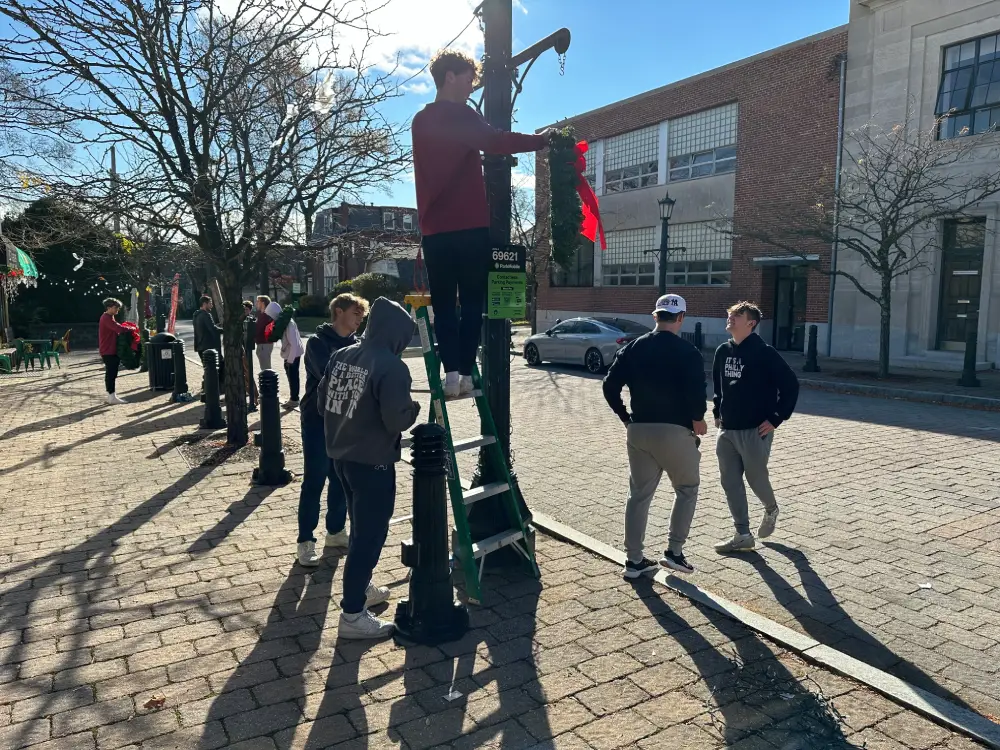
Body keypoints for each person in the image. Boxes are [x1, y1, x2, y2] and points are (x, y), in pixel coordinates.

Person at [412, 49, 550, 398]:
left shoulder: (420, 120)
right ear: (450, 77)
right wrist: (541, 140)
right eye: (469, 78)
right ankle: (463, 375)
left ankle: (453, 374)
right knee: (472, 301)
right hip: (470, 225)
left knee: (444, 303)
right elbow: (496, 141)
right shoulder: (461, 116)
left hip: (434, 230)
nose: (473, 86)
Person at [319, 297, 420, 639]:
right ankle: (352, 615)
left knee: (358, 526)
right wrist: (415, 409)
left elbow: (322, 402)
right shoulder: (391, 367)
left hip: (341, 457)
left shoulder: (342, 354)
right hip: (373, 462)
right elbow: (397, 420)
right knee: (369, 536)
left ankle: (360, 589)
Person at [603, 294, 708, 577]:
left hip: (639, 430)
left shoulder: (632, 348)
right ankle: (674, 552)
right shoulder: (688, 352)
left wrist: (625, 417)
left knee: (638, 495)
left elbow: (609, 386)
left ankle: (633, 560)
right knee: (686, 489)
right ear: (681, 318)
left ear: (655, 316)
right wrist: (698, 419)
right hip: (675, 430)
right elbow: (697, 393)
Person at [712, 301, 800, 553]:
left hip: (755, 430)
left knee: (755, 478)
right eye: (729, 314)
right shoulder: (722, 351)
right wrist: (717, 411)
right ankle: (742, 533)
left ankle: (771, 508)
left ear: (751, 322)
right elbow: (718, 387)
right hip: (727, 430)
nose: (730, 318)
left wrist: (776, 418)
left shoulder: (764, 352)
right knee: (730, 482)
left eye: (737, 315)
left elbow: (791, 385)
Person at [296, 293, 369, 567]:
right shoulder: (317, 343)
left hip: (346, 422)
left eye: (362, 315)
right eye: (355, 314)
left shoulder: (358, 344)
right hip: (317, 420)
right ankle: (305, 540)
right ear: (338, 312)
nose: (359, 320)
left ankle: (336, 531)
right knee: (315, 478)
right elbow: (332, 375)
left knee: (341, 479)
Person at [192, 295, 224, 394]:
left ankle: (207, 387)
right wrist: (224, 330)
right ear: (204, 304)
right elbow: (212, 329)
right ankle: (214, 389)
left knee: (207, 368)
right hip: (209, 346)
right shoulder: (206, 315)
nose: (212, 305)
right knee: (219, 365)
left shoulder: (196, 315)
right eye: (210, 303)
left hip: (200, 346)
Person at [98, 298, 127, 404]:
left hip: (109, 349)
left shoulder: (109, 317)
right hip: (108, 349)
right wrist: (131, 329)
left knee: (111, 373)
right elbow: (118, 328)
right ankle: (111, 396)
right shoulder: (106, 318)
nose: (117, 310)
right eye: (116, 308)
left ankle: (111, 396)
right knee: (111, 373)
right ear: (109, 307)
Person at [280, 308, 305, 408]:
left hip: (293, 355)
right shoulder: (287, 323)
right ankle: (293, 398)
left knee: (293, 377)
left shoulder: (289, 324)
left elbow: (293, 344)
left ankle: (294, 399)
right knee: (292, 377)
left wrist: (290, 360)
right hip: (291, 354)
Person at [241, 301, 258, 411]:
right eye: (244, 310)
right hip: (239, 350)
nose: (245, 312)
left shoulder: (251, 320)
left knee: (248, 374)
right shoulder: (240, 320)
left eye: (246, 310)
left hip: (246, 351)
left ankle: (255, 397)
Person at [254, 295, 275, 372]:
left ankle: (268, 383)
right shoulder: (262, 315)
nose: (256, 303)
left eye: (258, 301)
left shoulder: (266, 316)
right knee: (264, 367)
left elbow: (258, 329)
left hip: (264, 344)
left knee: (266, 369)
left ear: (263, 303)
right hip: (263, 344)